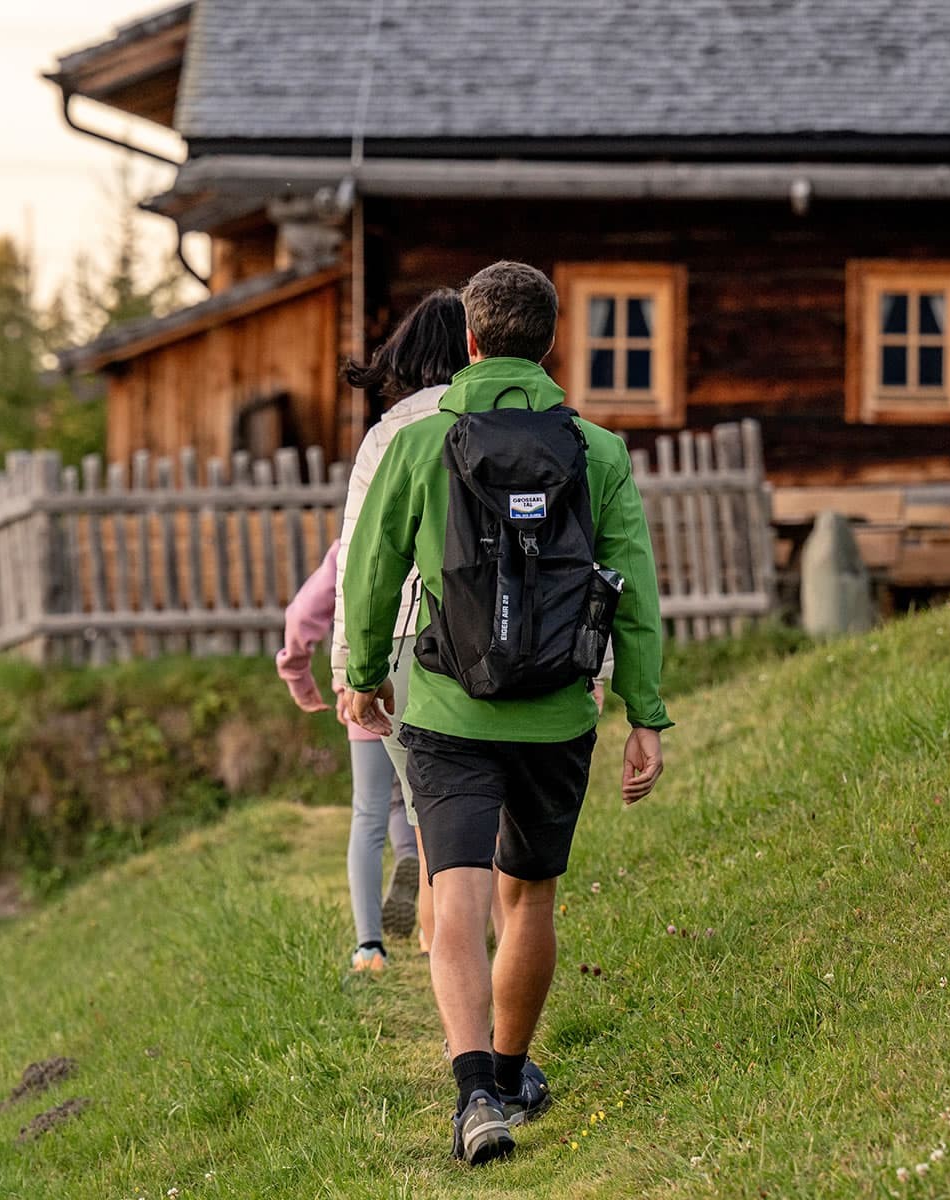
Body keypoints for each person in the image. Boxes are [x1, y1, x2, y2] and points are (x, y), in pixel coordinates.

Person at [339, 260, 671, 1165]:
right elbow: (632, 589)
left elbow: (371, 572)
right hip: (559, 713)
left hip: (447, 706)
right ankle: (517, 1073)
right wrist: (645, 712)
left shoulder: (417, 444)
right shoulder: (598, 451)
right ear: (551, 343)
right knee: (530, 898)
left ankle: (474, 1093)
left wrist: (365, 674)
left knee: (458, 899)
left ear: (472, 343)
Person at [329, 287, 471, 960]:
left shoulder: (387, 438)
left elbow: (360, 565)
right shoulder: (519, 419)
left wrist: (350, 672)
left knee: (436, 824)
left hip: (412, 643)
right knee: (492, 825)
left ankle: (455, 992)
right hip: (511, 636)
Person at [277, 539, 421, 971]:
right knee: (417, 801)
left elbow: (301, 616)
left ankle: (369, 947)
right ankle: (435, 916)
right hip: (423, 686)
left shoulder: (347, 546)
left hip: (361, 691)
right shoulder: (426, 534)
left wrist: (298, 677)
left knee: (369, 811)